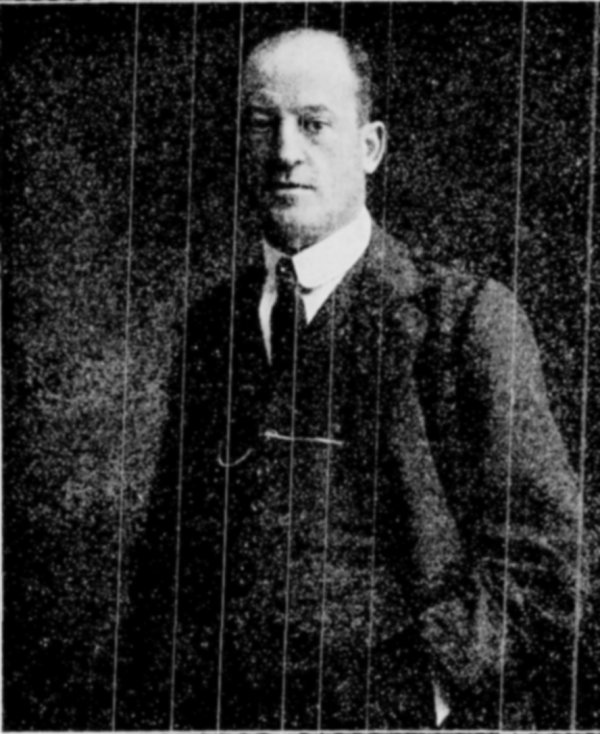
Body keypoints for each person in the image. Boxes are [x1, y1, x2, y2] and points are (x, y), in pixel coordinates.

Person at [120, 28, 583, 730]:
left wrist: (421, 687)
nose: (285, 151)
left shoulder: (463, 320)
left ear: (370, 147)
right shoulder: (214, 326)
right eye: (262, 124)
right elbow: (169, 567)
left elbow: (549, 563)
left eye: (314, 124)